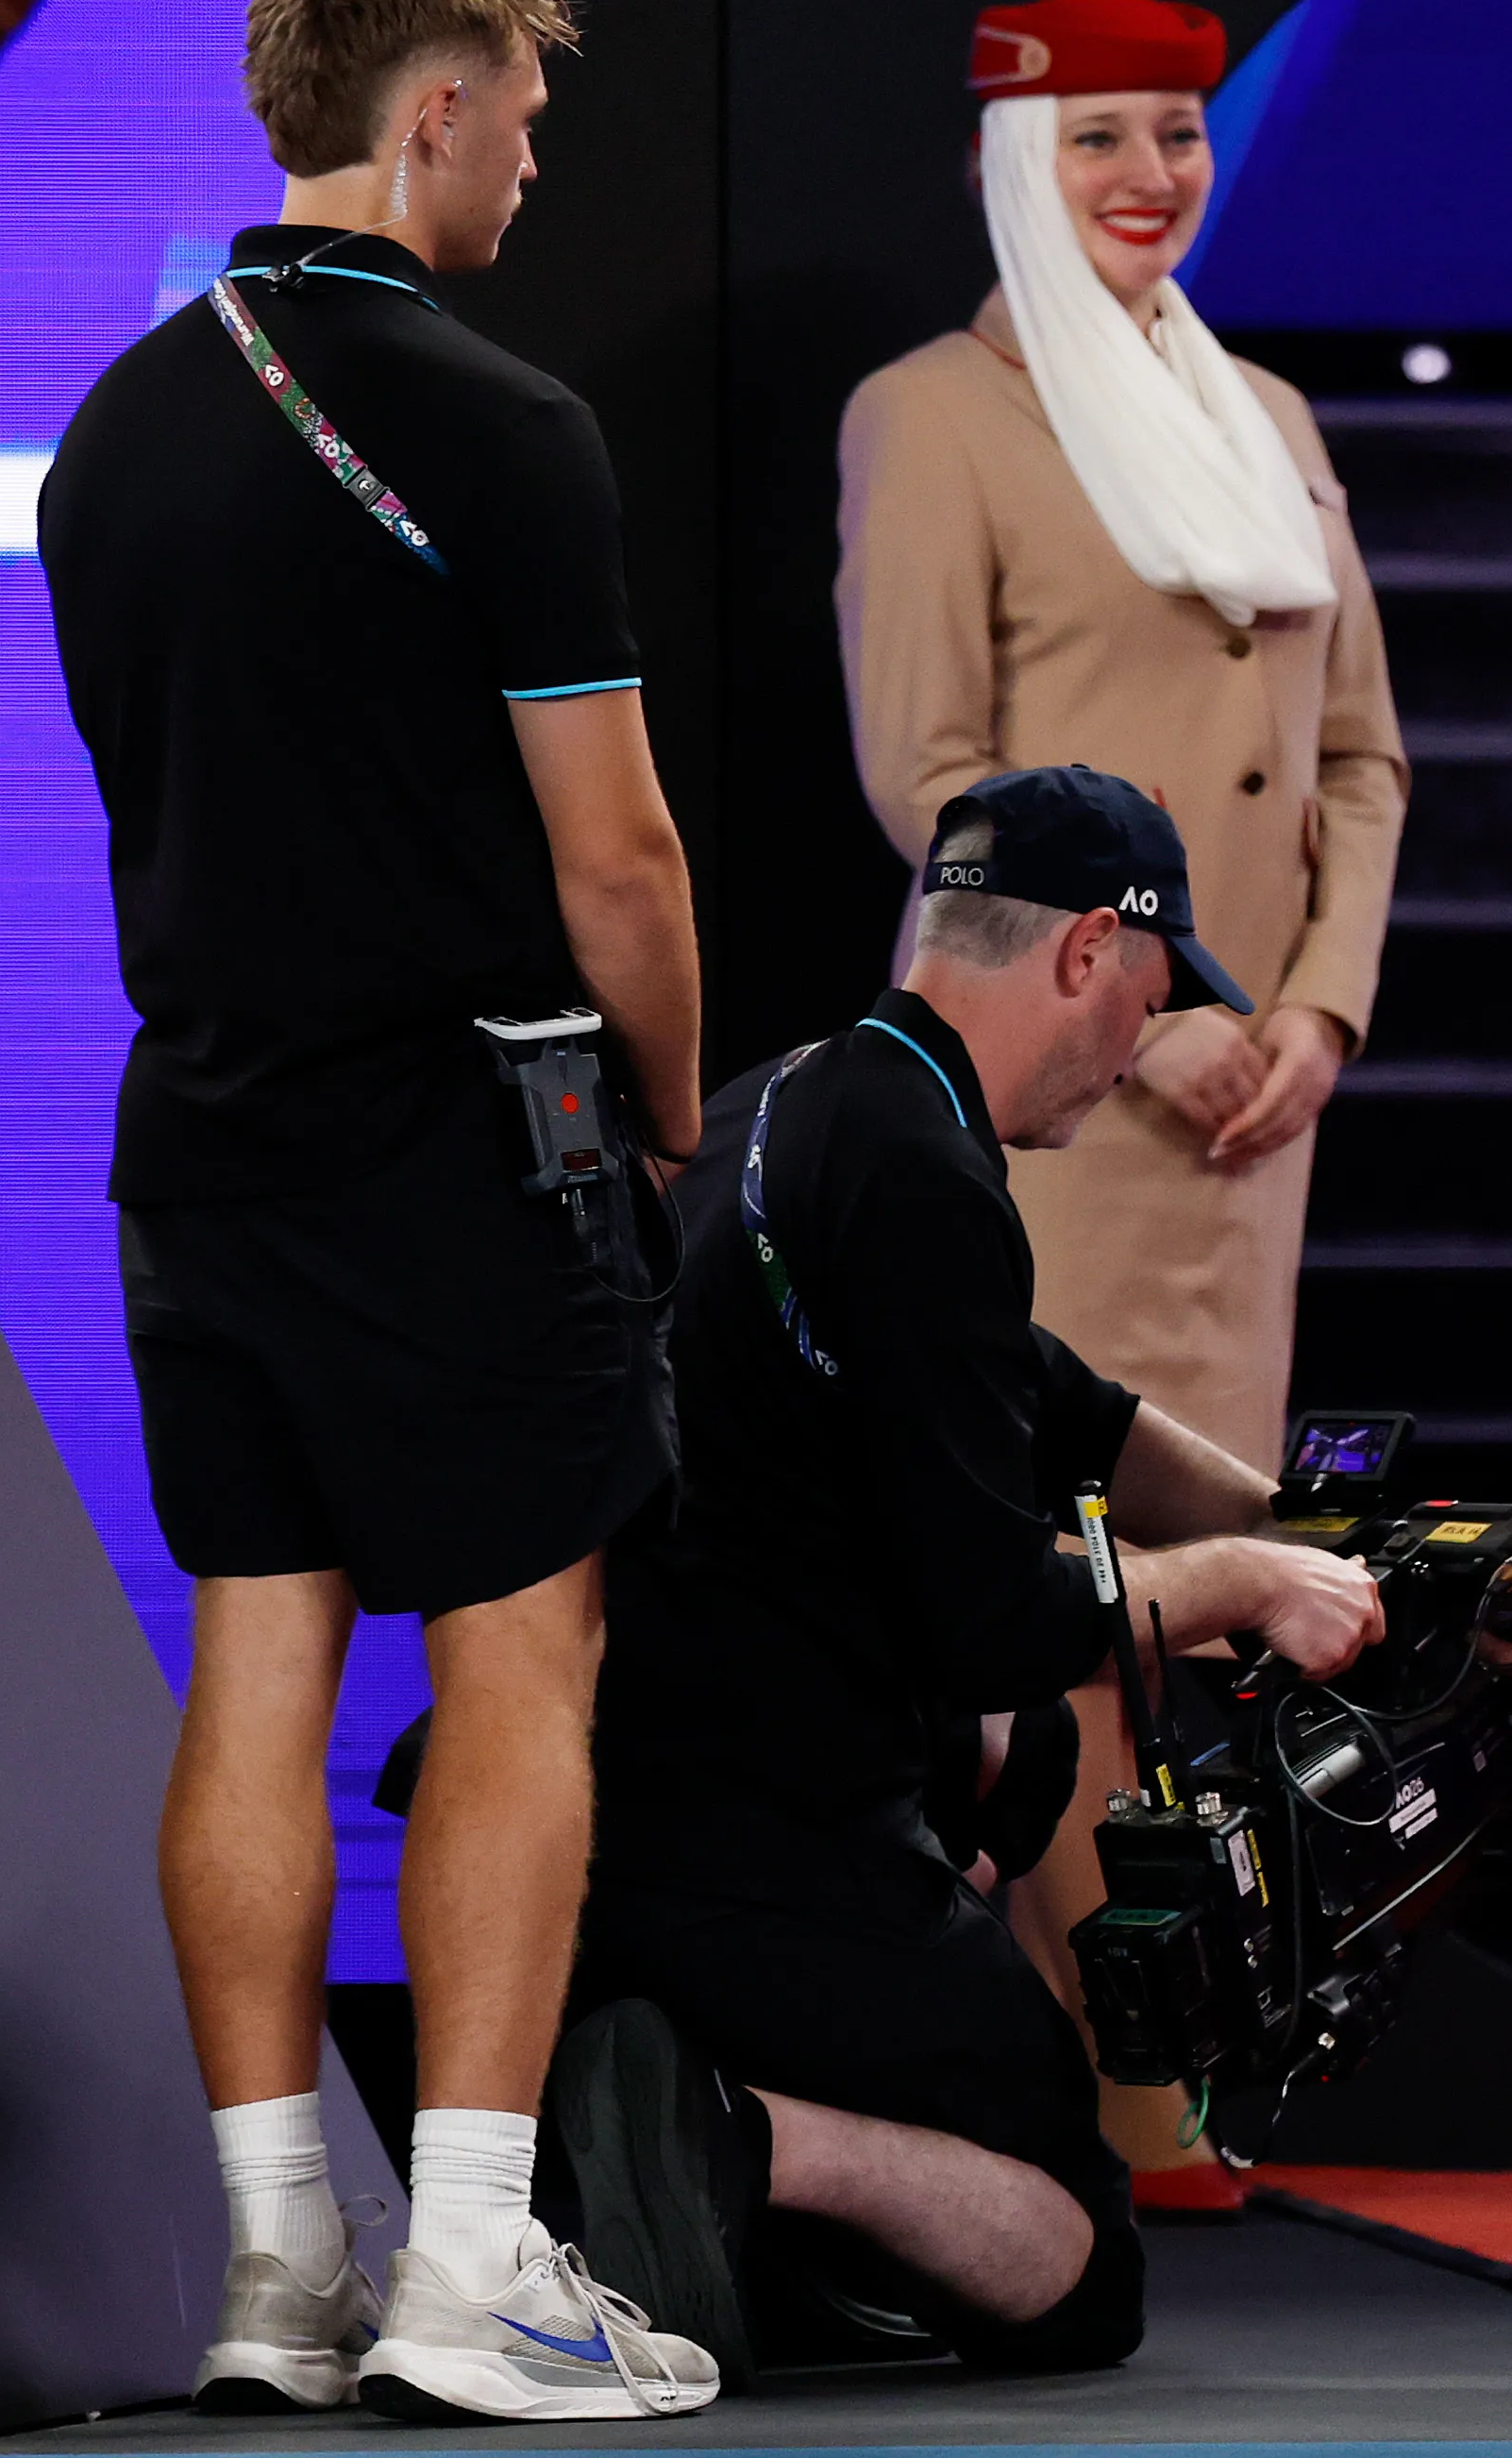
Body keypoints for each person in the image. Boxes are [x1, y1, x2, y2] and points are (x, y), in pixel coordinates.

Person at [39, 0, 719, 2424]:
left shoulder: (108, 431)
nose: (532, 172)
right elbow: (619, 856)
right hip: (463, 1127)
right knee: (520, 1658)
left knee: (252, 1649)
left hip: (202, 1128)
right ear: (425, 110)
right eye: (521, 125)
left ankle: (272, 2273)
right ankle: (471, 2264)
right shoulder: (498, 425)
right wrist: (665, 1098)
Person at [549, 765, 1387, 2377]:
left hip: (632, 1803)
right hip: (765, 1836)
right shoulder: (928, 1177)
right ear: (1086, 952)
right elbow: (996, 1619)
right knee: (1078, 2269)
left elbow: (1057, 1404)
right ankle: (741, 2135)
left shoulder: (788, 1097)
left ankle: (683, 2127)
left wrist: (1316, 1538)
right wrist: (1243, 1588)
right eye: (1149, 997)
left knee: (1007, 1777)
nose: (1144, 1039)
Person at [835, 0, 1409, 2197]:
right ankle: (1106, 2075)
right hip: (1060, 1097)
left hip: (1249, 1123)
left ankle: (1146, 2042)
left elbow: (1356, 757)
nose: (1151, 175)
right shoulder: (937, 416)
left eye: (1178, 133)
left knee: (1211, 1593)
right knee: (1054, 1601)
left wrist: (1319, 1010)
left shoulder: (1258, 408)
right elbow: (934, 771)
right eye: (1102, 141)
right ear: (1014, 162)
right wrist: (1150, 999)